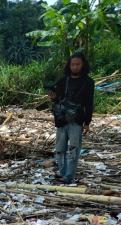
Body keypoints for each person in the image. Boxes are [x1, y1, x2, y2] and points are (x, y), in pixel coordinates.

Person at [47, 52, 95, 184]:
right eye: (72, 64)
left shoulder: (88, 82)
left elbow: (89, 103)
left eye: (77, 64)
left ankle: (69, 176)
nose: (75, 67)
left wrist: (87, 122)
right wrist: (52, 96)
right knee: (60, 149)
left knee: (74, 149)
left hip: (77, 120)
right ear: (69, 65)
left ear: (83, 65)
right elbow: (57, 99)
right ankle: (62, 173)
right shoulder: (63, 80)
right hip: (61, 120)